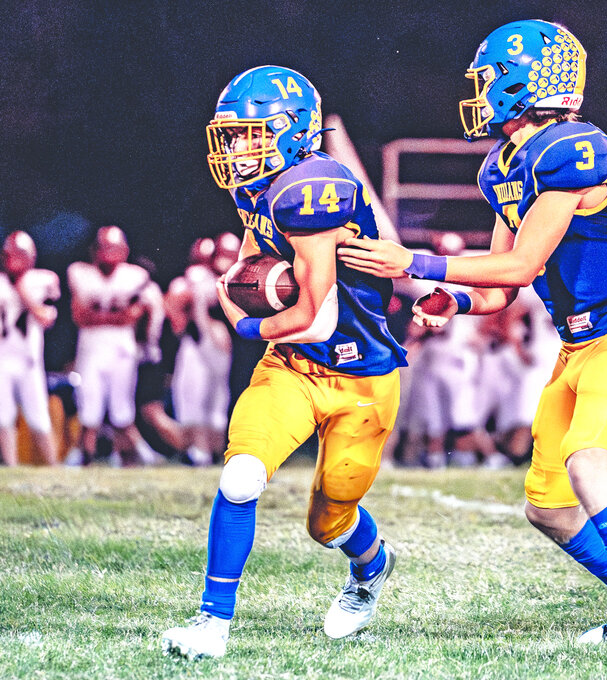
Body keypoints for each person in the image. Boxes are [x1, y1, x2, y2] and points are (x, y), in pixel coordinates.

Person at [339, 20, 607, 671]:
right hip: (577, 345)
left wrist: (414, 262)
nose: (478, 93)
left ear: (524, 83)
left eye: (488, 79)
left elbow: (523, 264)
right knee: (549, 508)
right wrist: (456, 298)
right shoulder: (503, 165)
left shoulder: (575, 147)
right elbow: (500, 287)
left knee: (589, 467)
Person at [161, 65, 407, 660]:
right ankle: (212, 623)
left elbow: (314, 315)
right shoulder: (260, 188)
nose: (239, 147)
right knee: (241, 475)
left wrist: (245, 321)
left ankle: (370, 568)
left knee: (329, 522)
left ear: (291, 130)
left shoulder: (315, 187)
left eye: (251, 133)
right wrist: (236, 286)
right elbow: (247, 263)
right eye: (234, 134)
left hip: (362, 376)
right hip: (293, 369)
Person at [65, 226, 153, 467]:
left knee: (121, 406)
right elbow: (80, 316)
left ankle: (128, 456)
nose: (109, 253)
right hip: (91, 348)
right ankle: (84, 455)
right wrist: (116, 316)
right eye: (104, 246)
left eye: (114, 247)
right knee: (89, 404)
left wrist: (101, 316)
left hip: (121, 348)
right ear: (94, 250)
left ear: (125, 250)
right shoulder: (80, 273)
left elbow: (134, 315)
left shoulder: (135, 275)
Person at [165, 232, 240, 466]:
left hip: (221, 348)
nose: (227, 258)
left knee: (217, 399)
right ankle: (197, 449)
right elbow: (177, 307)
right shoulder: (198, 277)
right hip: (197, 343)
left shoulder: (237, 278)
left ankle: (214, 451)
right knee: (193, 394)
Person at [0, 231, 60, 466]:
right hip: (2, 359)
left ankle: (53, 466)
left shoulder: (43, 279)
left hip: (29, 361)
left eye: (21, 254)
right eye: (11, 254)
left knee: (39, 418)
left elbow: (46, 317)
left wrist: (20, 289)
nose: (15, 259)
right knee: (3, 418)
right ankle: (11, 468)